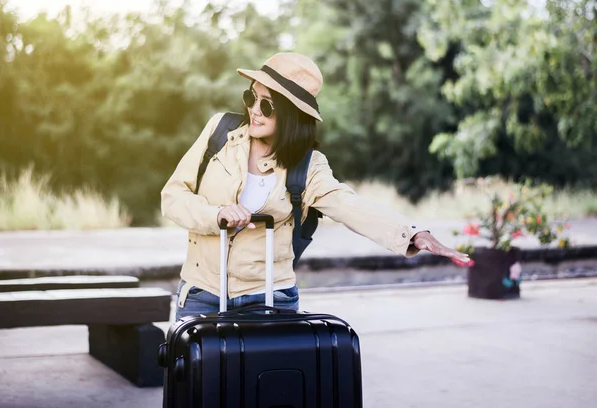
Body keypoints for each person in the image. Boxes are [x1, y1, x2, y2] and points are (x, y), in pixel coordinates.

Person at [161, 52, 470, 320]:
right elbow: (173, 196)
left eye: (267, 105)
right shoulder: (220, 131)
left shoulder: (309, 165)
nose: (254, 109)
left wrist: (412, 233)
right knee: (197, 386)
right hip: (202, 293)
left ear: (290, 114)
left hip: (270, 297)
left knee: (268, 388)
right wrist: (216, 215)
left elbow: (347, 205)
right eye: (251, 97)